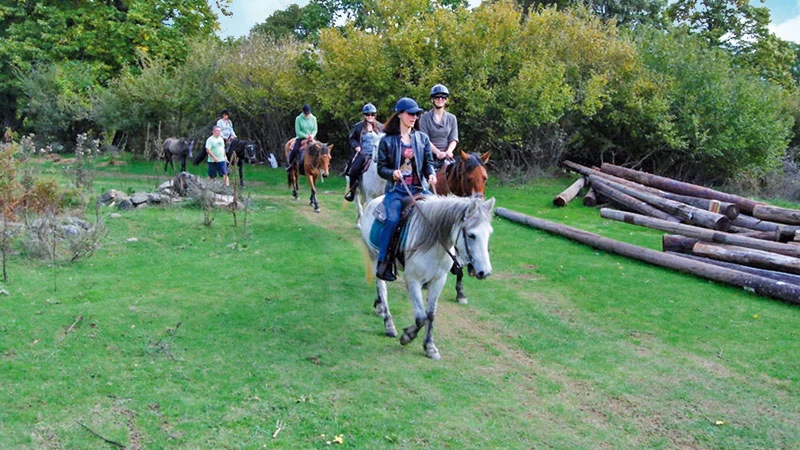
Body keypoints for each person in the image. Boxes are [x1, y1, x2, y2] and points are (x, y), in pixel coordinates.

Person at [375, 97, 437, 281]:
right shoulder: (387, 141)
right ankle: (383, 263)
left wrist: (431, 174)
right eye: (411, 114)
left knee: (440, 214)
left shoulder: (422, 138)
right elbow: (381, 169)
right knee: (392, 220)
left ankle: (447, 261)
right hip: (397, 191)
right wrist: (392, 173)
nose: (414, 117)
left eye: (417, 114)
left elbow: (428, 162)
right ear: (400, 114)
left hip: (418, 189)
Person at [344, 103, 385, 202]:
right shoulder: (358, 127)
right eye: (367, 114)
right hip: (364, 153)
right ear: (364, 115)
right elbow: (352, 138)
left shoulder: (381, 127)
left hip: (378, 154)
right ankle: (352, 191)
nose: (370, 116)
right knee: (354, 169)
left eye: (372, 114)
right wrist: (356, 146)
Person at [418, 84, 458, 171]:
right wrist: (437, 153)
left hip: (447, 156)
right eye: (437, 97)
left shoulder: (452, 118)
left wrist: (449, 151)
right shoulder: (425, 117)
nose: (440, 99)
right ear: (432, 99)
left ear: (446, 100)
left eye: (443, 97)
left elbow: (453, 139)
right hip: (429, 155)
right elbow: (425, 139)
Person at [286, 104, 318, 171]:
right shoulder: (298, 119)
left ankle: (320, 167)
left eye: (308, 113)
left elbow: (315, 129)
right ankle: (290, 164)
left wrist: (312, 136)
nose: (307, 115)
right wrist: (306, 136)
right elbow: (298, 131)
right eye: (306, 113)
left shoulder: (313, 118)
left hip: (311, 138)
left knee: (319, 150)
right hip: (301, 138)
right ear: (303, 112)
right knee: (294, 150)